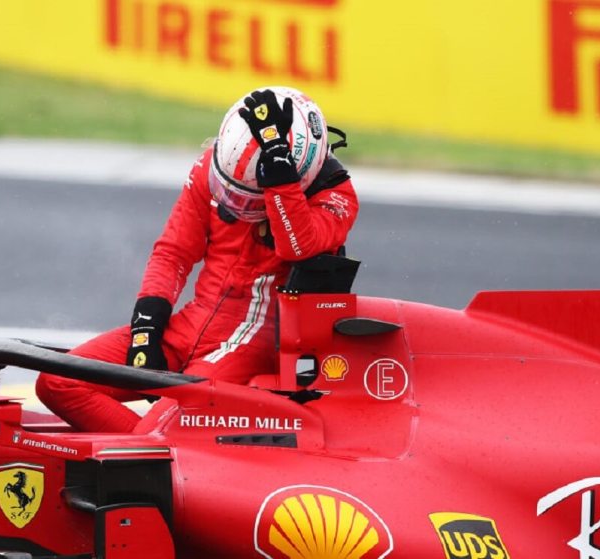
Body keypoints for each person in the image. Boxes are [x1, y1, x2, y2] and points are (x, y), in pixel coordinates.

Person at [35, 86, 358, 432]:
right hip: (191, 325)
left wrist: (281, 183)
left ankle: (151, 459)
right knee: (56, 381)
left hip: (253, 342)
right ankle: (142, 459)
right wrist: (147, 328)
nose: (233, 203)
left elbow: (298, 246)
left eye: (247, 198)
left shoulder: (336, 197)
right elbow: (173, 253)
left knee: (171, 423)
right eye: (227, 189)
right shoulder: (216, 164)